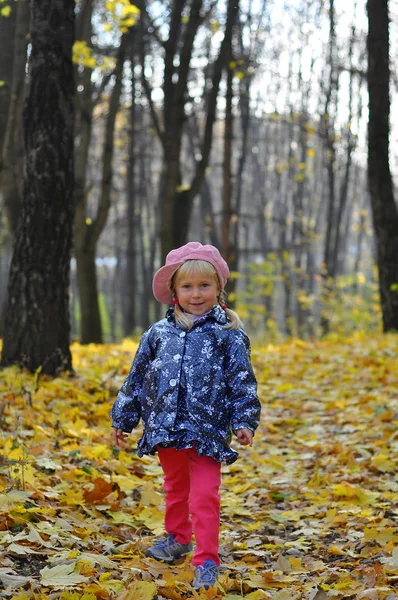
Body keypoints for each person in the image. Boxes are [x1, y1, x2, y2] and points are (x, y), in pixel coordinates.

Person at [111, 241, 261, 591]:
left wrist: (244, 420)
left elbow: (243, 381)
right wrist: (123, 418)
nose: (196, 294)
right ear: (174, 291)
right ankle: (178, 538)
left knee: (205, 495)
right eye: (188, 286)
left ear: (219, 289)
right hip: (166, 428)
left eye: (204, 286)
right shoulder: (157, 334)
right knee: (175, 488)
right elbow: (137, 378)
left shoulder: (229, 336)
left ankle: (207, 558)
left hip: (208, 431)